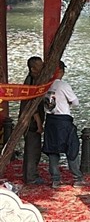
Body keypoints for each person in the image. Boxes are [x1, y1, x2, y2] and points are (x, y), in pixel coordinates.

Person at [42, 61, 83, 188]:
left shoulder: (45, 85)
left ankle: (55, 179)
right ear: (59, 71)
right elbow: (75, 102)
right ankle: (77, 177)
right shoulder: (63, 85)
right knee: (72, 147)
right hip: (63, 121)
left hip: (50, 120)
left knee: (52, 150)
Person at [21, 56, 45, 185]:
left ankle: (30, 174)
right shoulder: (30, 84)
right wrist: (39, 124)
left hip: (32, 121)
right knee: (32, 149)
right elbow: (32, 107)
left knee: (33, 148)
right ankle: (31, 177)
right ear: (33, 68)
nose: (42, 68)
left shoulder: (34, 81)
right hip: (31, 123)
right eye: (40, 66)